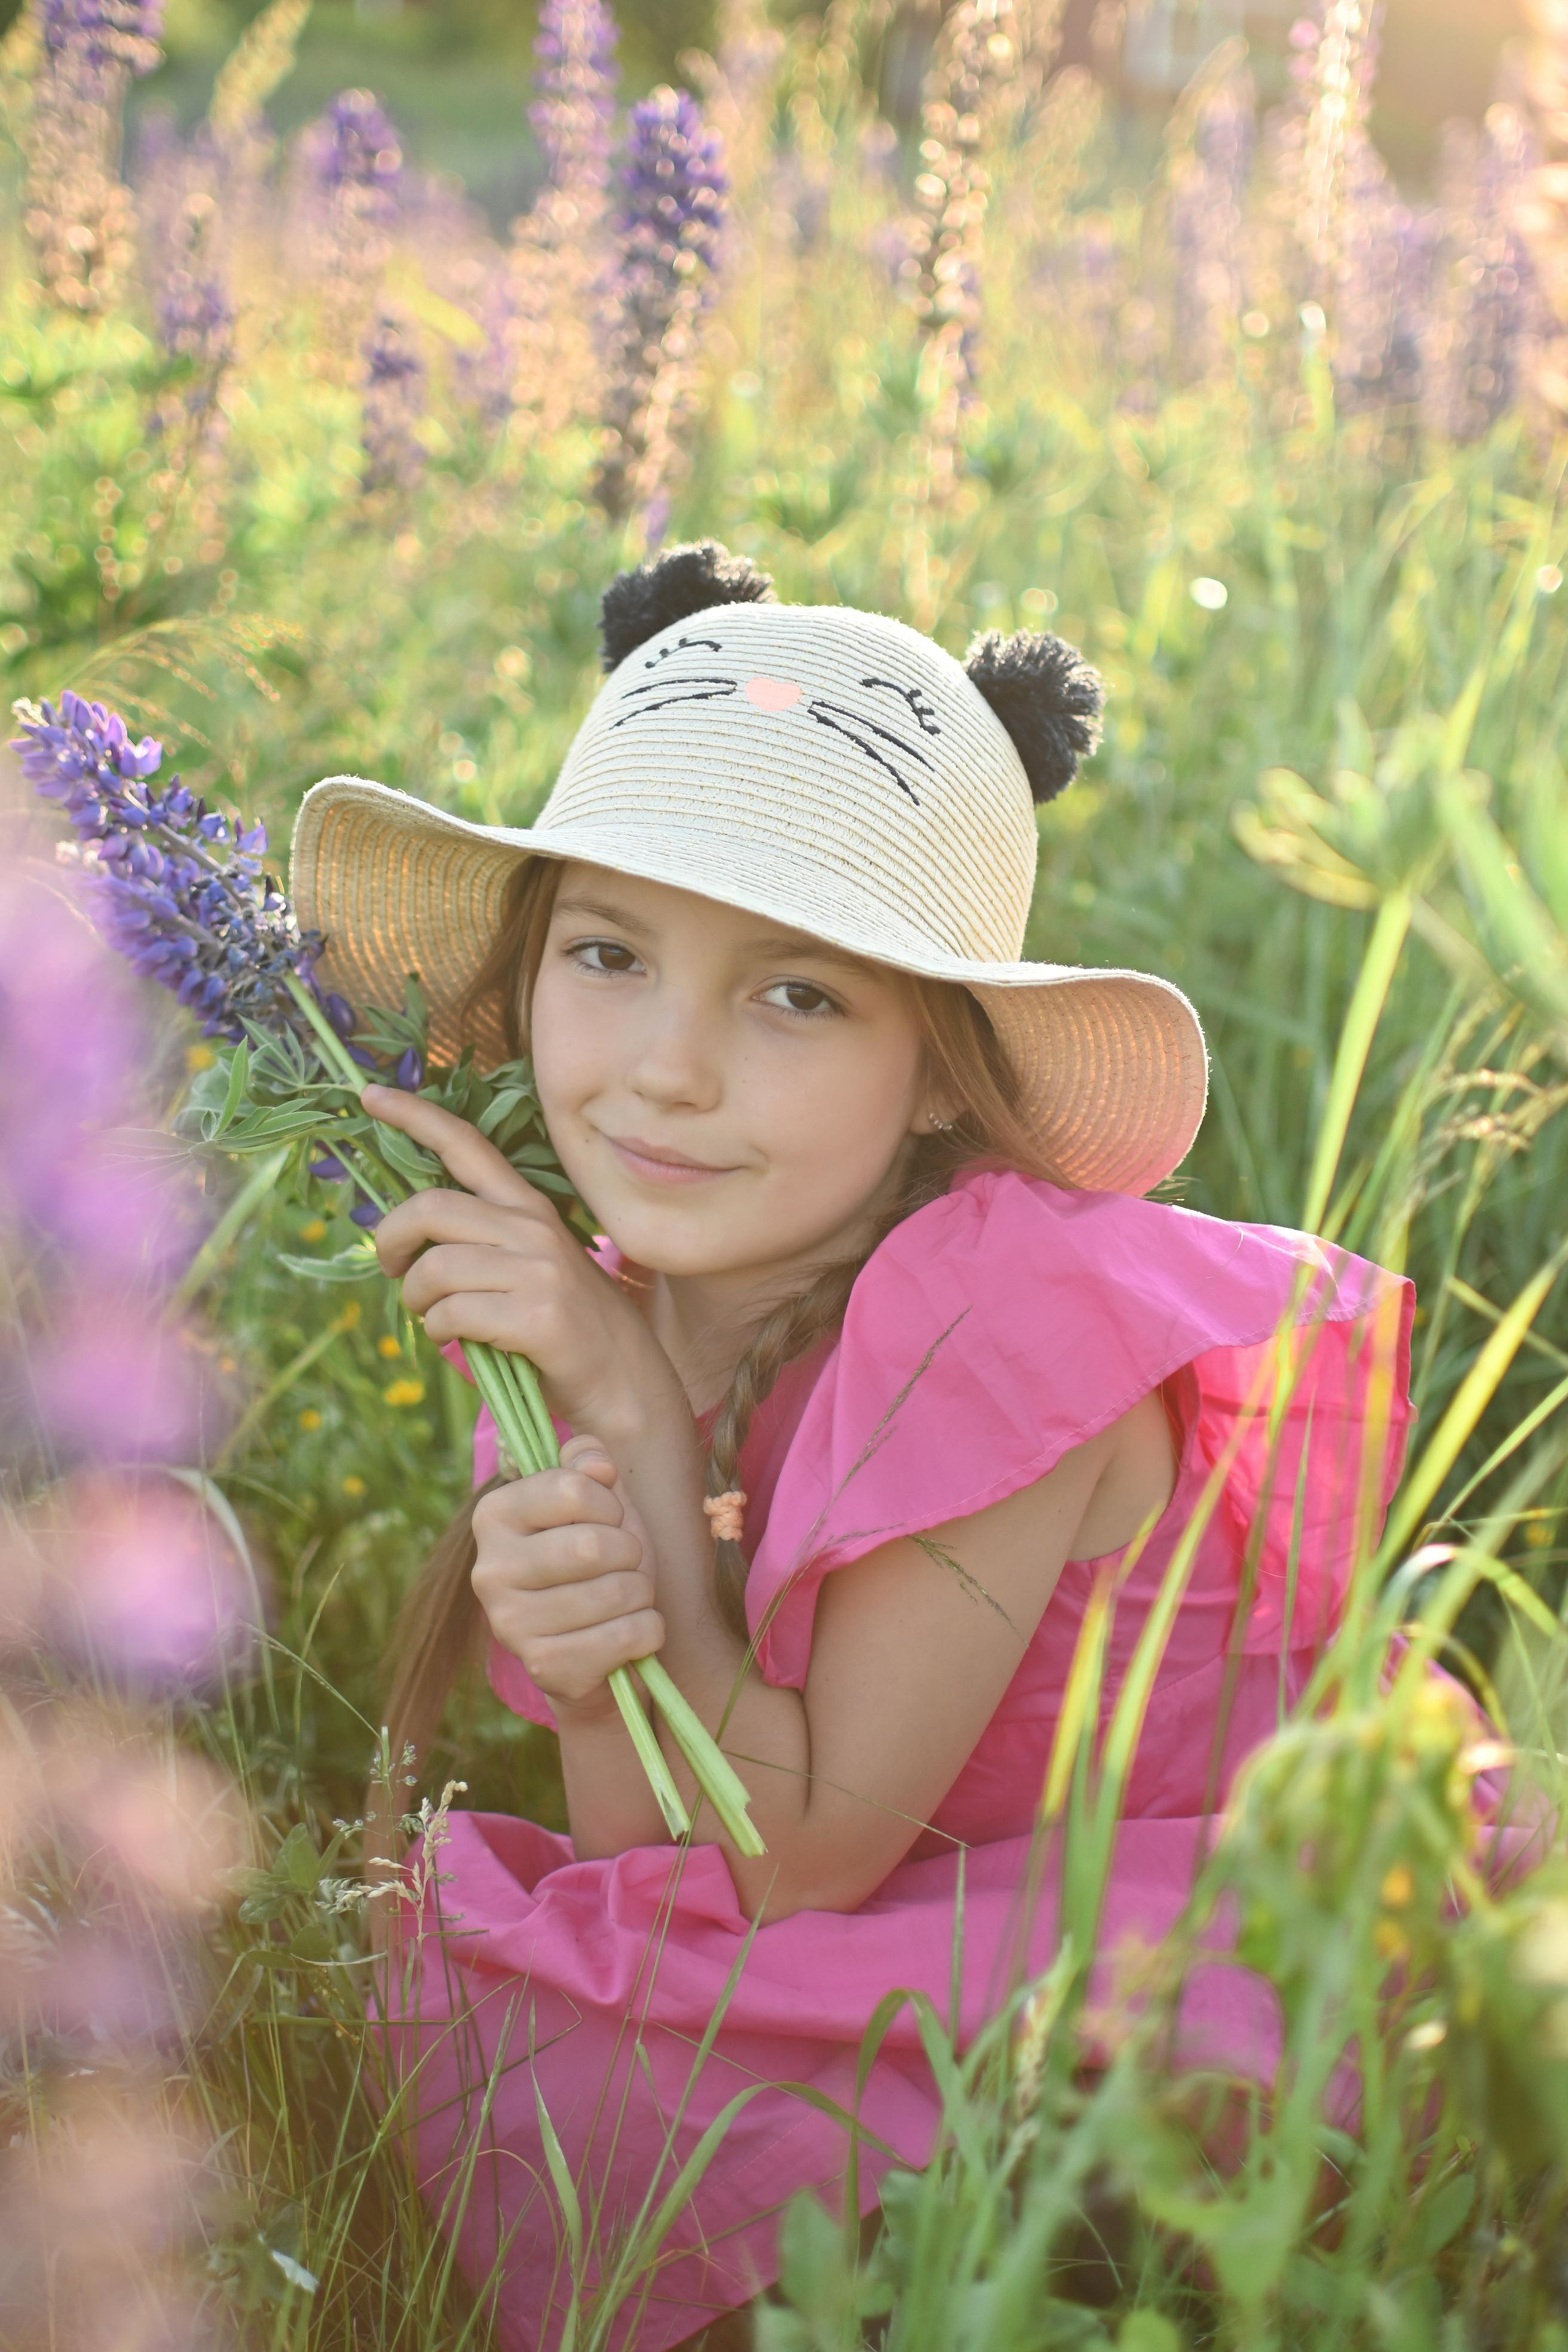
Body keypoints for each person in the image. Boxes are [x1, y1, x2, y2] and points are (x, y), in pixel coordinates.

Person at [288, 541, 1413, 2351]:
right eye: (608, 955)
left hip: (1167, 1927)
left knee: (617, 2082)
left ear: (946, 1069)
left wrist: (634, 1420)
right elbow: (661, 1863)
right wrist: (589, 1654)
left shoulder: (1005, 1312)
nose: (668, 1069)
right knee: (552, 2027)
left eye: (797, 995)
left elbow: (798, 1859)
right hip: (899, 1913)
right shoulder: (602, 1310)